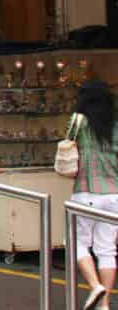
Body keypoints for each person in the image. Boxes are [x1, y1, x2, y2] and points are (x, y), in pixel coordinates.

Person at [70, 80, 118, 309]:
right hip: (114, 195)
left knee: (77, 242)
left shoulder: (78, 123)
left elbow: (64, 147)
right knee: (107, 250)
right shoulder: (116, 125)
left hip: (85, 191)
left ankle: (95, 286)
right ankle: (105, 303)